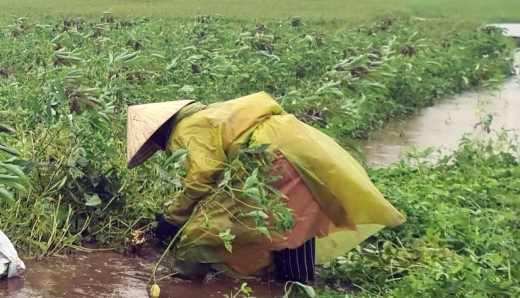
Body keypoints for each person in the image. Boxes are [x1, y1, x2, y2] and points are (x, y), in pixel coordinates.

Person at [126, 94, 403, 282]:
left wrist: (172, 220)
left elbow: (202, 177)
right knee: (291, 215)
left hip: (268, 157)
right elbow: (216, 171)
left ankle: (181, 284)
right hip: (296, 145)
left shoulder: (184, 130)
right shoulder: (211, 113)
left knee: (204, 231)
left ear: (159, 132)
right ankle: (297, 287)